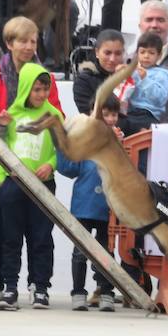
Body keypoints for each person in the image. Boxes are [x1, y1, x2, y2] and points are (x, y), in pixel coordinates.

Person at [0, 16, 63, 304]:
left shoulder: (45, 78)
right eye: (23, 41)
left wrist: (51, 159)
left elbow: (56, 120)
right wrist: (2, 119)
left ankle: (39, 287)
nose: (28, 46)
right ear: (9, 43)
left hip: (38, 169)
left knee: (39, 235)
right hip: (2, 166)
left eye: (33, 41)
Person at [0, 62, 63, 310]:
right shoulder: (10, 115)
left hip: (43, 185)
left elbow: (61, 150)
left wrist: (50, 165)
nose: (42, 94)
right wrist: (4, 180)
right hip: (13, 187)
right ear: (25, 88)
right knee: (11, 238)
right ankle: (10, 287)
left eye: (45, 89)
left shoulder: (54, 116)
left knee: (42, 238)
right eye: (37, 89)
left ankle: (40, 287)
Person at [58, 101, 115, 312]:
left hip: (110, 208)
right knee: (80, 252)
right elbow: (68, 169)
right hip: (83, 206)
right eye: (103, 114)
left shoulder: (120, 142)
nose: (108, 119)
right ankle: (78, 293)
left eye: (112, 114)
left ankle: (106, 292)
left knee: (107, 252)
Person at [123, 31, 168, 133]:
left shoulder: (162, 75)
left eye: (151, 53)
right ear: (137, 53)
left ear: (159, 55)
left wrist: (145, 80)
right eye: (142, 52)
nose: (146, 56)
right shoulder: (133, 71)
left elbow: (160, 99)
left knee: (141, 137)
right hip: (130, 113)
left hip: (149, 114)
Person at [73, 29, 127, 116]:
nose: (112, 59)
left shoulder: (131, 77)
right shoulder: (83, 81)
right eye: (107, 53)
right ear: (97, 52)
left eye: (118, 53)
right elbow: (90, 114)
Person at [133, 0, 168, 70]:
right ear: (140, 26)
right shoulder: (125, 61)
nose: (154, 25)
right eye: (149, 20)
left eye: (160, 20)